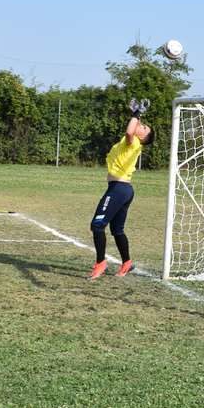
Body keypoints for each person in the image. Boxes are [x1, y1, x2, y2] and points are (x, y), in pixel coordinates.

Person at [88, 98, 154, 280]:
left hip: (119, 189)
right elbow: (133, 125)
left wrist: (137, 113)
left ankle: (100, 262)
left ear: (143, 137)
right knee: (117, 230)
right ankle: (127, 263)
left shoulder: (133, 142)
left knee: (97, 225)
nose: (142, 125)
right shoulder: (130, 143)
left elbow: (130, 130)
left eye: (145, 127)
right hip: (123, 190)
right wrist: (134, 113)